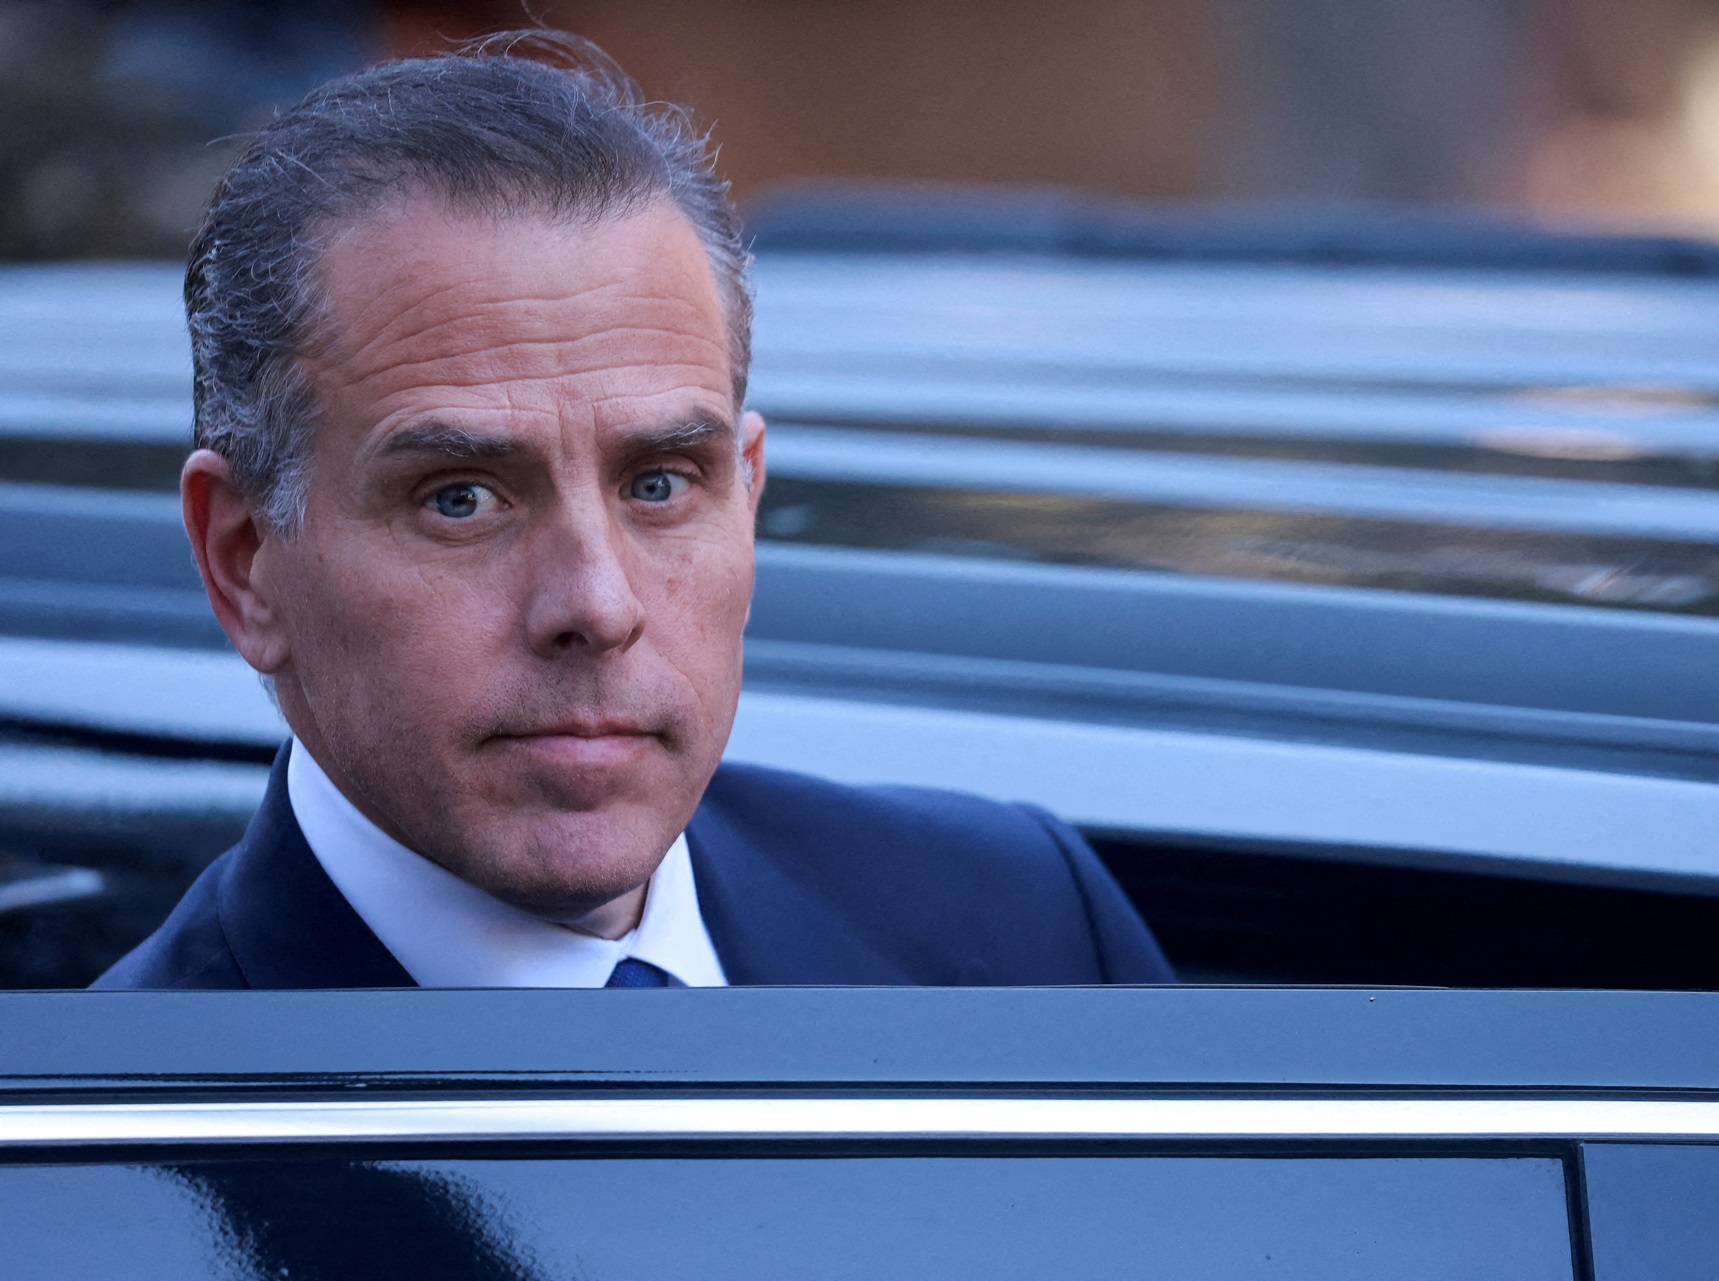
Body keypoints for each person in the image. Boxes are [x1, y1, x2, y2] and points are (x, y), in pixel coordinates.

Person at [94, 33, 1172, 991]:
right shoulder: (107, 1134)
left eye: (659, 483)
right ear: (243, 561)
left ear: (748, 492)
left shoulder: (1020, 927)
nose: (598, 606)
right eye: (460, 499)